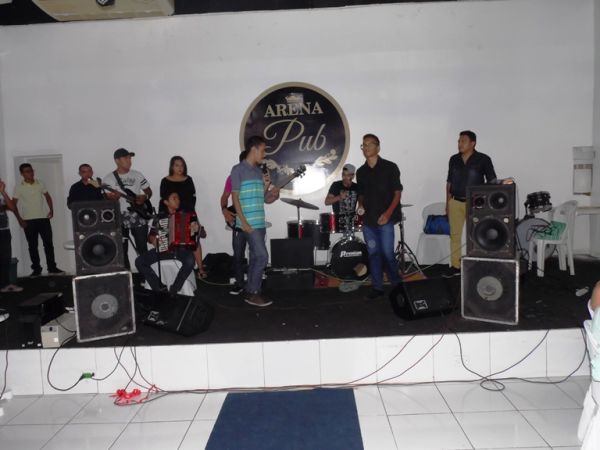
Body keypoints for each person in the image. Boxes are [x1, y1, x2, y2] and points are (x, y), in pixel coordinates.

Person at [230, 136, 279, 306]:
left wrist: (266, 186)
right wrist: (243, 222)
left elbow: (262, 198)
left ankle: (249, 291)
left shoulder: (259, 172)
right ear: (254, 149)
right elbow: (235, 198)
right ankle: (253, 292)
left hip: (259, 221)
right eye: (263, 150)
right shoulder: (238, 170)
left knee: (255, 258)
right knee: (262, 256)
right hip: (248, 222)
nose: (264, 154)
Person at [356, 133, 402, 300]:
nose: (366, 147)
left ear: (378, 147)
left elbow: (397, 193)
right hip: (368, 221)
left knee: (388, 254)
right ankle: (377, 287)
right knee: (373, 254)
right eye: (364, 145)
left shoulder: (390, 167)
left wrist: (388, 214)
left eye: (369, 144)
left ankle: (397, 286)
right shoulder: (361, 172)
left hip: (385, 219)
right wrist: (360, 205)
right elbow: (361, 194)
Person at [446, 130, 497, 274]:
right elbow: (449, 182)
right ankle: (455, 266)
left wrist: (486, 202)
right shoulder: (454, 159)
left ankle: (477, 264)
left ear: (472, 143)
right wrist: (448, 203)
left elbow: (492, 181)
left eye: (463, 141)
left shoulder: (483, 159)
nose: (459, 144)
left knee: (477, 234)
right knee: (455, 235)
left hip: (476, 204)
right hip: (455, 202)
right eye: (459, 141)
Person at [135, 191, 197, 295]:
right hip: (163, 249)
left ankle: (175, 288)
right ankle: (158, 287)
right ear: (166, 202)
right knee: (139, 261)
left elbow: (201, 234)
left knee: (190, 260)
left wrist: (196, 229)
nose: (178, 200)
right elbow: (150, 237)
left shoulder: (185, 215)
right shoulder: (159, 217)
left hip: (181, 250)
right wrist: (153, 239)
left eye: (178, 198)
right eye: (174, 198)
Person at [103, 148, 153, 270]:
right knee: (121, 249)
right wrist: (113, 198)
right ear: (117, 160)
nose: (129, 160)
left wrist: (144, 197)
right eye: (126, 158)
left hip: (138, 214)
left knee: (142, 247)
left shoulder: (137, 174)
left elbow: (149, 191)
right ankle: (127, 276)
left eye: (130, 158)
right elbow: (107, 199)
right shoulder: (108, 178)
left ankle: (146, 276)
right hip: (119, 215)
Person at [13, 163, 64, 277]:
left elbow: (48, 196)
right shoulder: (18, 187)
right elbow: (13, 205)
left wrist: (51, 209)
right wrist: (19, 219)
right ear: (22, 174)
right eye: (27, 171)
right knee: (32, 246)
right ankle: (36, 269)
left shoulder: (40, 183)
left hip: (43, 219)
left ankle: (52, 267)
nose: (30, 173)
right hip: (28, 220)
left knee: (48, 244)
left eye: (31, 170)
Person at [159, 156, 207, 278]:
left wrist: (194, 218)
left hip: (188, 213)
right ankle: (173, 271)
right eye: (177, 165)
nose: (180, 168)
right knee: (171, 243)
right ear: (172, 166)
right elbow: (164, 201)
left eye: (182, 165)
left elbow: (192, 199)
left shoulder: (188, 179)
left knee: (195, 242)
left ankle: (200, 268)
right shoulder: (165, 181)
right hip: (171, 216)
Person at [0, 178, 22, 293]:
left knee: (5, 258)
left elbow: (13, 207)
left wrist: (3, 192)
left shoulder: (1, 197)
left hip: (4, 231)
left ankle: (5, 284)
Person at [325, 163, 359, 229]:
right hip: (338, 222)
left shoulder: (357, 187)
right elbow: (327, 202)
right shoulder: (336, 185)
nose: (345, 177)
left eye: (348, 175)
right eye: (344, 175)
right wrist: (339, 197)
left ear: (353, 176)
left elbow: (363, 200)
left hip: (352, 222)